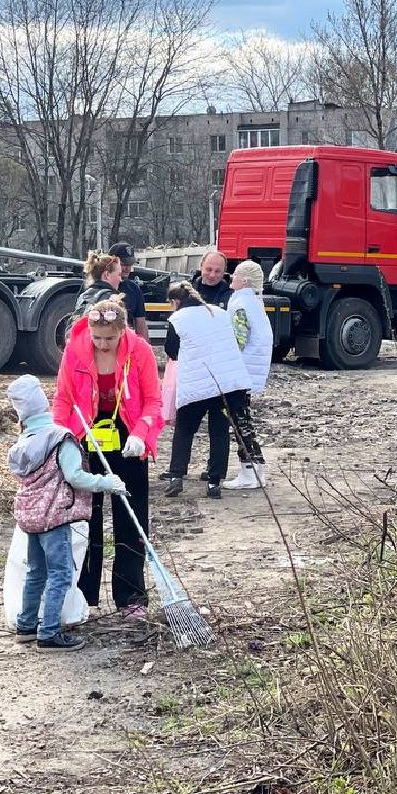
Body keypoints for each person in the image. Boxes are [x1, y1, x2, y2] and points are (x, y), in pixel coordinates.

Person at [52, 294, 163, 620]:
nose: (102, 344)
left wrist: (142, 434)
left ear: (122, 332)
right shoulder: (75, 349)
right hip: (86, 434)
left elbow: (154, 401)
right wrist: (59, 437)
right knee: (87, 516)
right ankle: (83, 596)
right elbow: (62, 397)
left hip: (128, 433)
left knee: (131, 515)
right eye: (96, 337)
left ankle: (131, 596)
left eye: (109, 339)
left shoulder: (139, 350)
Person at [6, 375, 125, 651]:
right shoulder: (60, 439)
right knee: (60, 574)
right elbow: (75, 477)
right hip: (54, 517)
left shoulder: (24, 443)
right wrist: (107, 483)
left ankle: (26, 626)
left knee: (36, 572)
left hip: (30, 518)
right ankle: (49, 633)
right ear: (43, 403)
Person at [161, 281, 252, 499]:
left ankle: (176, 476)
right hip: (228, 384)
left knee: (184, 429)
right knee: (219, 432)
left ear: (176, 302)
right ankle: (214, 482)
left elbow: (171, 350)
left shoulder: (177, 319)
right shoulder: (219, 312)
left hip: (197, 383)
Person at [221, 260, 272, 490]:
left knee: (241, 421)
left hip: (241, 371)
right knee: (244, 420)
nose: (231, 279)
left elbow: (237, 341)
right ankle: (256, 468)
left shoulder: (240, 305)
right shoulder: (254, 303)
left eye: (235, 276)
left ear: (244, 281)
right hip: (251, 370)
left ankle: (249, 471)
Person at [108, 241, 149, 341]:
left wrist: (145, 350)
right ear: (111, 263)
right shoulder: (97, 287)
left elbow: (140, 323)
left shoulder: (133, 288)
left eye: (130, 264)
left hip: (126, 345)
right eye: (123, 264)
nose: (128, 268)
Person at [74, 251, 122, 318]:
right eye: (119, 274)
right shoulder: (112, 298)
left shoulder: (82, 297)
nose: (120, 279)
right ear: (107, 275)